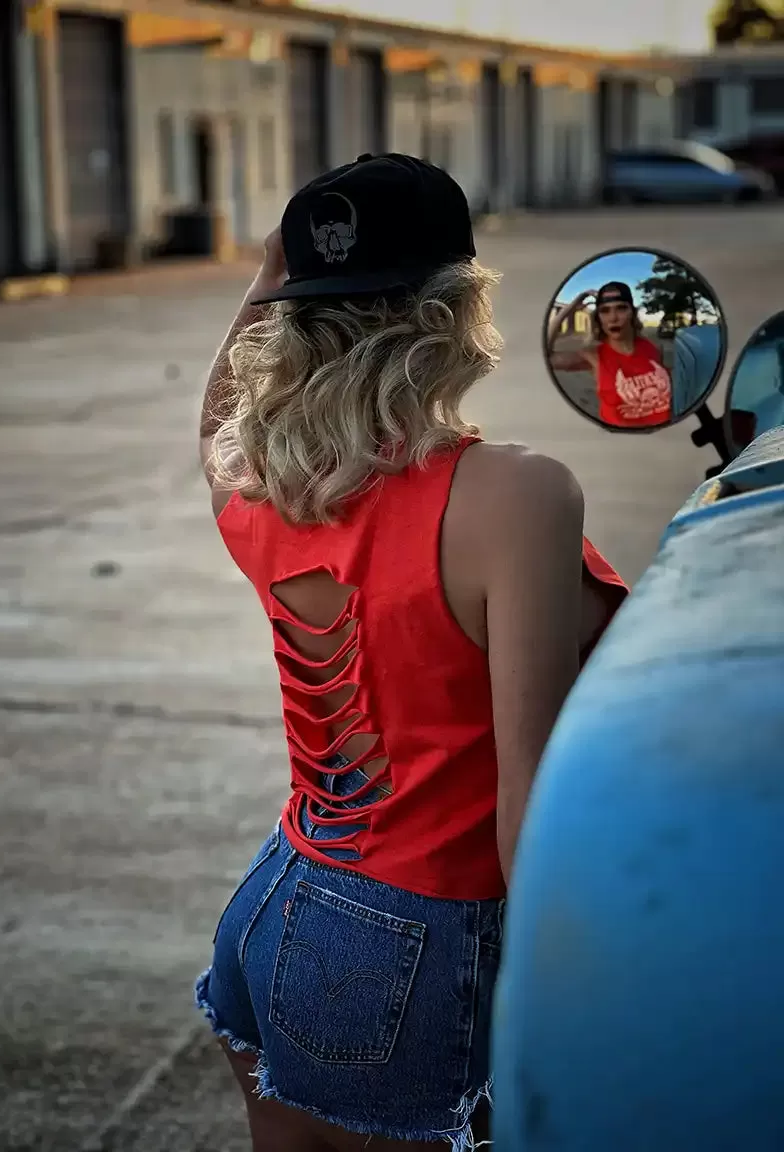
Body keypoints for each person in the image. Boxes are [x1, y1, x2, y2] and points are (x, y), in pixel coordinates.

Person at [195, 152, 629, 1150]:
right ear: (454, 310)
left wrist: (275, 269)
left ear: (291, 313)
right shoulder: (517, 494)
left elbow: (216, 422)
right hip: (416, 943)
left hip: (276, 902)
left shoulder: (259, 487)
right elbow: (528, 810)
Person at [547, 281, 672, 427]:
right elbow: (546, 357)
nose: (613, 318)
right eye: (605, 311)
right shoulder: (593, 356)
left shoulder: (655, 348)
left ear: (632, 313)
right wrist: (573, 305)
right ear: (598, 319)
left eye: (621, 308)